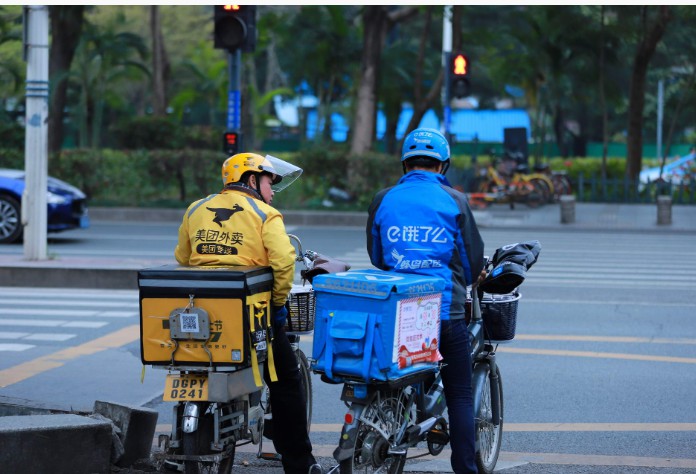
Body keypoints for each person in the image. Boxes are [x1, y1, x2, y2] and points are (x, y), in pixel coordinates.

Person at [175, 152, 322, 474]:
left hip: (200, 314)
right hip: (249, 316)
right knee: (286, 379)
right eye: (270, 182)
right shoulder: (265, 214)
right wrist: (278, 304)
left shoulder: (196, 208)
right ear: (252, 180)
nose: (272, 191)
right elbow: (283, 262)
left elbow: (183, 257)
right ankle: (299, 463)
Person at [366, 128, 485, 474]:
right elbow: (472, 262)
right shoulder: (455, 201)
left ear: (405, 165)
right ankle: (465, 469)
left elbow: (377, 257)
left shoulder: (383, 198)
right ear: (443, 166)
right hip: (445, 311)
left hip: (397, 310)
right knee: (461, 394)